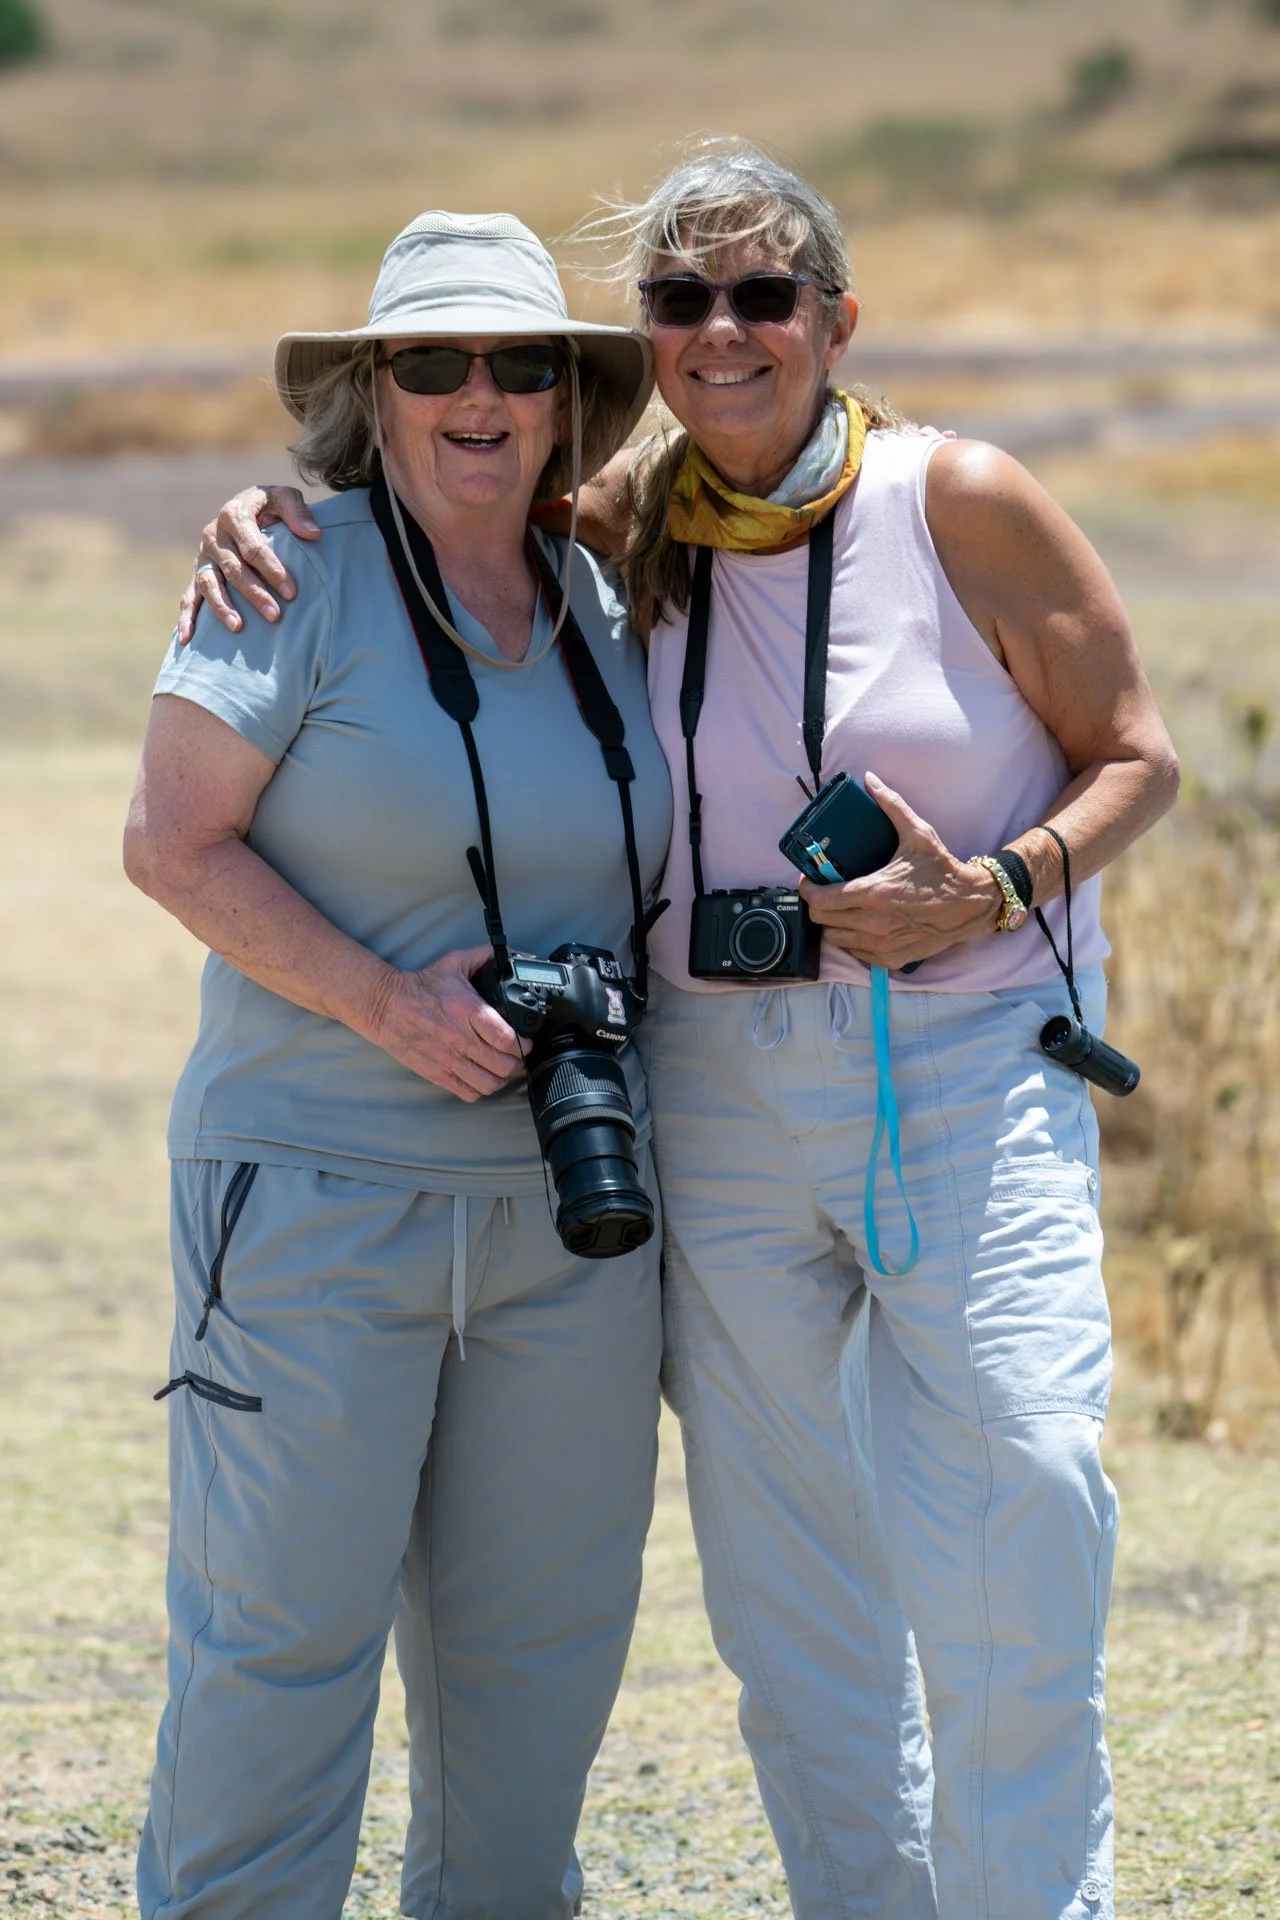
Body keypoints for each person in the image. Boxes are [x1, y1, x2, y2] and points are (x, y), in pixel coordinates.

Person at [184, 143, 1179, 1920]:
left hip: (959, 1067)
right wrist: (279, 516)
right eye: (679, 301)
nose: (723, 331)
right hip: (702, 1093)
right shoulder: (621, 527)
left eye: (762, 295)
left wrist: (998, 887)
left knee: (1022, 1494)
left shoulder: (954, 494)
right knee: (789, 1593)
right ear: (639, 341)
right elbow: (409, 531)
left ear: (834, 318)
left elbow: (1139, 754)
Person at [123, 210, 674, 1920]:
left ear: (570, 396)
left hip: (570, 1225)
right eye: (433, 362)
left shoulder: (608, 588)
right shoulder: (287, 569)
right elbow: (170, 843)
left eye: (520, 363)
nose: (478, 395)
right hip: (313, 1200)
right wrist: (388, 1005)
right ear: (376, 387)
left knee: (540, 1679)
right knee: (277, 1657)